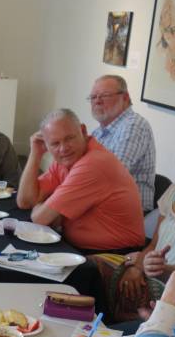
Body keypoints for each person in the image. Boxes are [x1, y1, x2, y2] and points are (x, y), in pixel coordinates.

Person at [91, 124, 175, 321]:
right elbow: (154, 244)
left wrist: (160, 270)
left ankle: (114, 331)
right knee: (90, 266)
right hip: (154, 273)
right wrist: (137, 267)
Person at [16, 108, 145, 252]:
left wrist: (41, 206)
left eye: (69, 138)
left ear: (83, 131)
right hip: (77, 247)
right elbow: (25, 201)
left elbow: (40, 218)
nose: (63, 148)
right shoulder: (65, 160)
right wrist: (35, 153)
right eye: (55, 144)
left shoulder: (93, 164)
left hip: (114, 255)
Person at [88, 75, 156, 211]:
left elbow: (111, 175)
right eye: (93, 97)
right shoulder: (98, 132)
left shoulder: (134, 125)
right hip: (101, 204)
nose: (97, 101)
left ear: (125, 97)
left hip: (126, 214)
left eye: (104, 96)